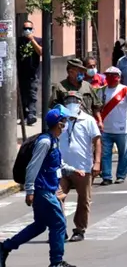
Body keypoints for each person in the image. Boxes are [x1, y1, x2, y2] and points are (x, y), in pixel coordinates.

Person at [0, 105, 80, 267]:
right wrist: (29, 191)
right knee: (59, 223)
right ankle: (56, 262)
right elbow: (33, 167)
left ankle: (4, 247)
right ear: (59, 124)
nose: (66, 125)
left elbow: (56, 165)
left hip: (48, 189)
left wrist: (73, 170)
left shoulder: (53, 141)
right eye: (64, 121)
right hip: (42, 190)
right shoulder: (44, 142)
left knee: (40, 225)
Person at [57, 93, 101, 242]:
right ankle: (60, 228)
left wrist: (97, 162)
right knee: (57, 198)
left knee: (83, 199)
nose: (71, 103)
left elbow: (97, 141)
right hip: (62, 167)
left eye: (74, 101)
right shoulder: (61, 120)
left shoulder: (88, 120)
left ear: (80, 103)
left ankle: (80, 229)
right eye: (68, 100)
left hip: (83, 167)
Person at [51, 58, 102, 128]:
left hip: (87, 124)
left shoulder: (87, 86)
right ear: (70, 72)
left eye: (83, 71)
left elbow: (96, 106)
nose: (82, 73)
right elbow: (54, 109)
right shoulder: (60, 87)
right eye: (79, 71)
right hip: (67, 126)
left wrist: (100, 121)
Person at [16, 20, 43, 125]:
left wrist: (32, 40)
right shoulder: (19, 41)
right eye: (25, 28)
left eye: (29, 28)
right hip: (21, 73)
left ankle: (32, 115)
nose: (27, 30)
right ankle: (24, 116)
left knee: (32, 94)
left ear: (33, 29)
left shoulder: (38, 40)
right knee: (22, 95)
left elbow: (40, 52)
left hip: (33, 73)